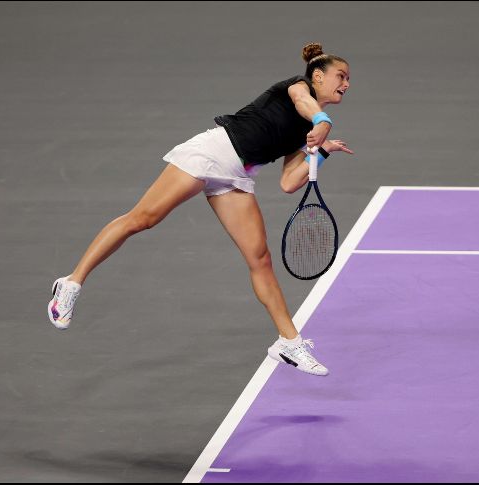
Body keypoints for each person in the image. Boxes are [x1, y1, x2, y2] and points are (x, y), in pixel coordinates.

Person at [48, 42, 353, 376]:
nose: (346, 84)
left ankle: (288, 342)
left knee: (260, 260)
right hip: (210, 155)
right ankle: (71, 282)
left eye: (348, 79)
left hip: (236, 176)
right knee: (142, 220)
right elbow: (304, 103)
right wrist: (323, 120)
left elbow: (289, 183)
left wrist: (322, 151)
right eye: (341, 76)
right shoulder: (297, 87)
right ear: (318, 76)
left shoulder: (307, 131)